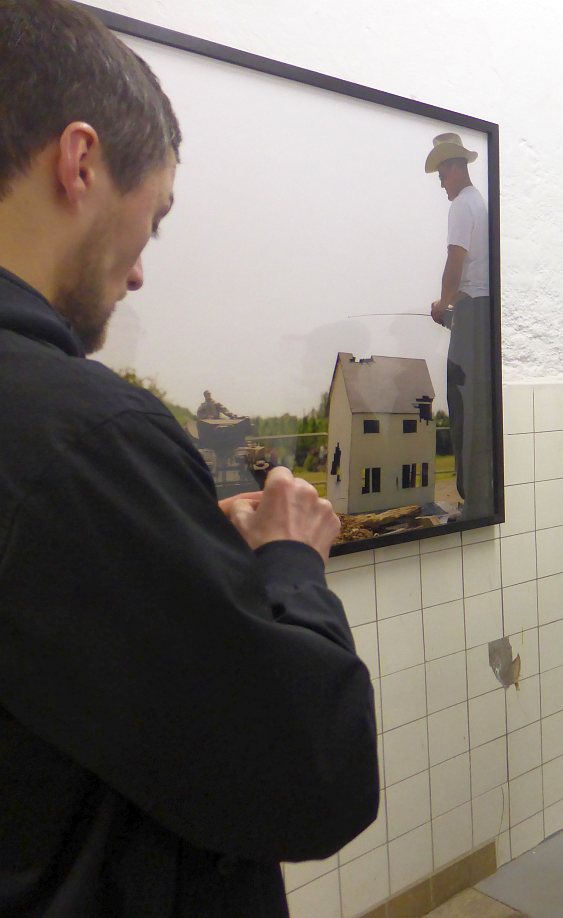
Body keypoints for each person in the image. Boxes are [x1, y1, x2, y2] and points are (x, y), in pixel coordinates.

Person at [0, 2, 378, 915]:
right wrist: (290, 563)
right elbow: (314, 773)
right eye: (156, 217)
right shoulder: (89, 435)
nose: (138, 271)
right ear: (80, 162)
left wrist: (178, 548)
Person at [425, 132, 493, 518]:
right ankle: (480, 497)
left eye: (441, 174)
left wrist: (443, 304)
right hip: (479, 310)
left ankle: (471, 499)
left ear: (454, 167)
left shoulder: (462, 205)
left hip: (469, 308)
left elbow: (455, 261)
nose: (441, 183)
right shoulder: (480, 203)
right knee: (477, 405)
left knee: (462, 404)